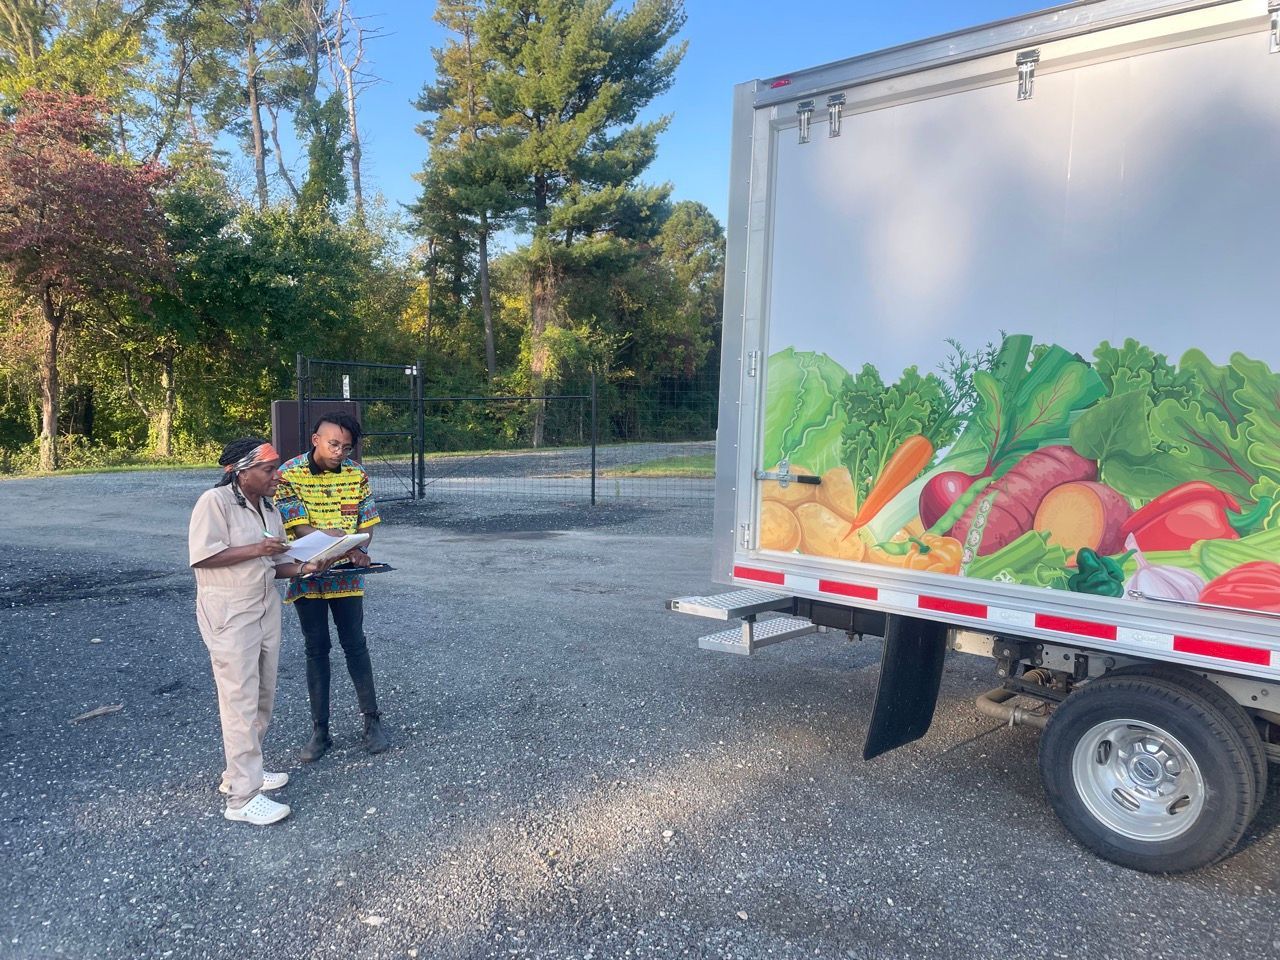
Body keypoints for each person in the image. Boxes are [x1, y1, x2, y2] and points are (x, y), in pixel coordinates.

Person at [188, 438, 330, 825]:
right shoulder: (214, 503)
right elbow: (202, 556)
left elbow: (276, 563)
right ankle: (242, 798)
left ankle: (243, 771)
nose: (277, 476)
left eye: (276, 467)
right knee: (239, 700)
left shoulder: (269, 508)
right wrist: (258, 549)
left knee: (262, 694)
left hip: (265, 605)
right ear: (241, 472)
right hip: (230, 611)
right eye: (268, 469)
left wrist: (306, 567)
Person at [274, 413, 389, 761]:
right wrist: (336, 544)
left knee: (355, 644)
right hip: (306, 573)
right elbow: (298, 526)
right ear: (316, 440)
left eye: (347, 447)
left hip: (347, 575)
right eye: (333, 444)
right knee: (316, 648)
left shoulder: (357, 474)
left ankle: (372, 721)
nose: (340, 452)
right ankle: (320, 731)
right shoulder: (288, 474)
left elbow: (366, 522)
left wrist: (359, 548)